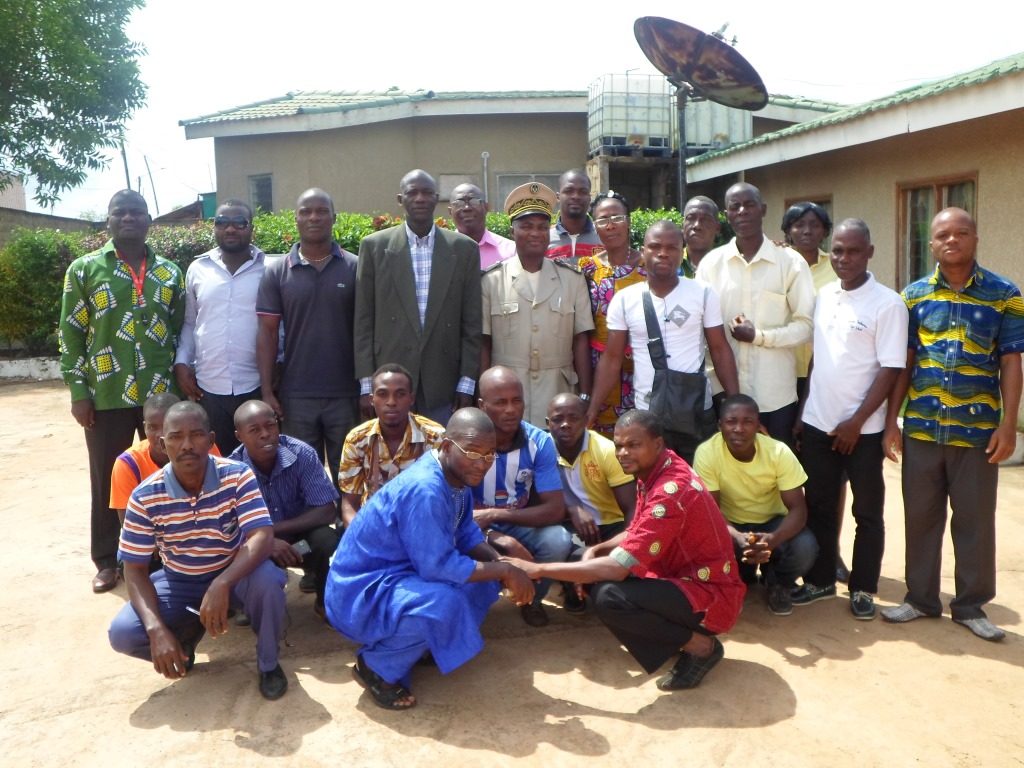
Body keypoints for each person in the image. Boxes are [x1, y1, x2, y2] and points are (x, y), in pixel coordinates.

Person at [506, 409, 745, 691]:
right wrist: (599, 549)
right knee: (600, 580)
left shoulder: (669, 490)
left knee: (610, 597)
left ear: (657, 444)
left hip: (710, 592)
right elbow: (639, 529)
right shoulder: (661, 467)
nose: (622, 453)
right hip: (683, 578)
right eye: (619, 445)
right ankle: (674, 637)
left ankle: (702, 647)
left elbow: (618, 569)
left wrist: (538, 569)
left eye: (633, 445)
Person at [325, 408, 535, 711]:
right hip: (359, 593)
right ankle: (375, 666)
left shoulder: (456, 476)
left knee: (483, 583)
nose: (483, 463)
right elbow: (437, 567)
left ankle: (423, 644)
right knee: (444, 601)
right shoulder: (426, 488)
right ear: (447, 447)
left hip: (398, 575)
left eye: (490, 454)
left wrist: (503, 564)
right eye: (473, 452)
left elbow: (465, 533)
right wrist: (504, 569)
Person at [881, 207, 1024, 641]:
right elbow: (905, 364)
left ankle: (970, 605)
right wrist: (892, 421)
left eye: (962, 233)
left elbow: (1012, 362)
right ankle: (920, 599)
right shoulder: (914, 296)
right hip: (922, 427)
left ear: (975, 239)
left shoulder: (1005, 294)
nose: (952, 240)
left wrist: (1008, 424)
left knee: (975, 520)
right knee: (920, 517)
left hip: (977, 434)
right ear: (932, 243)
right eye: (943, 234)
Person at [108, 402, 288, 700]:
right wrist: (156, 631)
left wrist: (222, 582)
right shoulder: (144, 496)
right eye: (176, 437)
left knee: (269, 582)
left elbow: (261, 534)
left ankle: (269, 664)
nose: (187, 445)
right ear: (163, 444)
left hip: (233, 572)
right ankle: (184, 641)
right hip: (180, 579)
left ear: (212, 439)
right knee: (123, 633)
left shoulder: (237, 475)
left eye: (197, 435)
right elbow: (134, 569)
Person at [58, 189, 185, 593]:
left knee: (166, 476)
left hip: (160, 396)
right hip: (105, 393)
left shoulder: (169, 272)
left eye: (136, 213)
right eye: (120, 213)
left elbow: (181, 331)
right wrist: (79, 391)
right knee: (107, 479)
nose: (128, 218)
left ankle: (165, 555)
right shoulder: (84, 269)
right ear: (108, 221)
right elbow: (71, 334)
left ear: (149, 220)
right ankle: (107, 559)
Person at [793, 219, 907, 620]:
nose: (844, 259)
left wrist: (857, 422)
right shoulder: (824, 295)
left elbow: (891, 369)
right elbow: (819, 362)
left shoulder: (888, 303)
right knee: (820, 506)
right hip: (819, 422)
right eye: (838, 250)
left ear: (869, 253)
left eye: (853, 251)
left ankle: (863, 588)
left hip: (865, 431)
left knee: (868, 512)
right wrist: (806, 410)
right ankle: (822, 581)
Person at [588, 220, 739, 464]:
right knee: (654, 485)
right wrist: (593, 409)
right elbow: (612, 358)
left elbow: (720, 349)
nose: (663, 253)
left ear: (683, 251)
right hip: (648, 414)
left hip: (696, 410)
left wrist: (734, 403)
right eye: (655, 246)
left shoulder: (702, 292)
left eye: (672, 247)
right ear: (643, 250)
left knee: (698, 484)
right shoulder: (625, 299)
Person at [355, 170, 481, 426]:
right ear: (400, 199)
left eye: (427, 193)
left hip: (443, 382)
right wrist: (367, 385)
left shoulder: (463, 249)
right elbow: (363, 321)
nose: (420, 199)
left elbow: (472, 324)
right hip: (390, 382)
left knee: (442, 460)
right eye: (413, 193)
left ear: (437, 199)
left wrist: (467, 384)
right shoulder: (374, 247)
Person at [697, 183, 815, 445]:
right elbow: (700, 331)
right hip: (723, 393)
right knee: (728, 477)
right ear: (726, 215)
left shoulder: (791, 263)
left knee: (776, 476)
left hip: (775, 397)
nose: (742, 212)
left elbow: (806, 326)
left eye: (749, 205)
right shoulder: (711, 266)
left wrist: (759, 336)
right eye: (734, 207)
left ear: (762, 210)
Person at [256, 188, 359, 479]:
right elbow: (266, 333)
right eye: (306, 211)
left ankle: (349, 526)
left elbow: (367, 331)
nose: (314, 217)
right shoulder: (277, 272)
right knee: (300, 474)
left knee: (349, 473)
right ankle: (311, 527)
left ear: (334, 218)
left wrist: (366, 387)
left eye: (321, 211)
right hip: (296, 395)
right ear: (296, 219)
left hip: (346, 394)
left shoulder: (355, 267)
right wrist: (266, 391)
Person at [481, 182, 594, 427]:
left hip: (558, 392)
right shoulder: (491, 281)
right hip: (507, 398)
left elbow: (581, 340)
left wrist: (585, 393)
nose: (535, 233)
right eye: (526, 226)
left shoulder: (572, 279)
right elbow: (484, 343)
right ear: (513, 231)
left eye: (543, 227)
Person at [694, 394, 818, 617]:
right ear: (720, 425)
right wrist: (737, 537)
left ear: (758, 425)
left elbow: (798, 510)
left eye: (747, 421)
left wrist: (772, 540)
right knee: (705, 545)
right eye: (731, 421)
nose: (739, 428)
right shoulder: (707, 453)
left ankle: (777, 582)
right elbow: (710, 512)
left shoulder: (778, 452)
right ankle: (742, 577)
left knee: (806, 547)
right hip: (730, 525)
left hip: (772, 524)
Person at [471, 366, 572, 626]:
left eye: (516, 401)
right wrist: (497, 537)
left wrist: (495, 515)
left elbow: (554, 509)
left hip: (517, 523)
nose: (511, 409)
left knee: (558, 540)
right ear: (482, 405)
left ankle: (531, 599)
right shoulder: (467, 441)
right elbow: (451, 513)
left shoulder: (540, 442)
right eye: (500, 402)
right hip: (469, 529)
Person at [229, 400, 340, 620]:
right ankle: (249, 601)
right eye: (254, 430)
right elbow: (228, 529)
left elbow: (327, 510)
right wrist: (265, 543)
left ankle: (325, 602)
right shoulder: (231, 470)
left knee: (327, 541)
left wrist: (270, 531)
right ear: (239, 435)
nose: (265, 434)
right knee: (235, 552)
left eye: (270, 426)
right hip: (257, 549)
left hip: (301, 543)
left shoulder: (302, 454)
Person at [174, 200, 266, 456]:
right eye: (222, 222)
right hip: (209, 386)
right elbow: (191, 321)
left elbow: (277, 325)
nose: (230, 229)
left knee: (258, 460)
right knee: (216, 463)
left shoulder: (268, 269)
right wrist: (182, 362)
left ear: (251, 228)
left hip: (256, 384)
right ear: (213, 227)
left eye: (239, 223)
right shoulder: (197, 269)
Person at [547, 393, 636, 612]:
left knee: (613, 564)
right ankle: (573, 589)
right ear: (548, 424)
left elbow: (631, 508)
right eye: (558, 419)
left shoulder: (607, 451)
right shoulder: (541, 450)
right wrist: (572, 509)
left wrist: (624, 549)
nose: (566, 425)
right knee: (557, 544)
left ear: (587, 421)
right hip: (569, 522)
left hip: (611, 525)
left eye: (573, 418)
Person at [338, 363, 446, 526]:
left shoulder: (436, 436)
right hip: (372, 525)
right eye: (382, 394)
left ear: (411, 399)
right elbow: (349, 503)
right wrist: (359, 534)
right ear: (371, 399)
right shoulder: (356, 439)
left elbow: (447, 496)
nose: (391, 402)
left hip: (422, 525)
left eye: (400, 394)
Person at [578, 191, 646, 433]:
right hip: (599, 368)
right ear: (595, 226)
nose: (611, 226)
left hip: (641, 367)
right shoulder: (587, 268)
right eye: (603, 220)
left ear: (628, 221)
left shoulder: (649, 265)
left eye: (617, 218)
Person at [448, 182, 516, 270]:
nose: (467, 208)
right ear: (450, 211)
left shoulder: (510, 251)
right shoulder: (441, 252)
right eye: (459, 203)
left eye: (474, 201)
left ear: (486, 207)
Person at [546, 169, 603, 264]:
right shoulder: (546, 239)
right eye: (569, 191)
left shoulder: (603, 237)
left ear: (590, 198)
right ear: (558, 197)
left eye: (583, 192)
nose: (576, 196)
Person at [681, 196, 722, 276]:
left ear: (717, 228)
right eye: (691, 218)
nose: (697, 226)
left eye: (705, 220)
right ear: (683, 225)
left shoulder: (728, 266)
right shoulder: (670, 263)